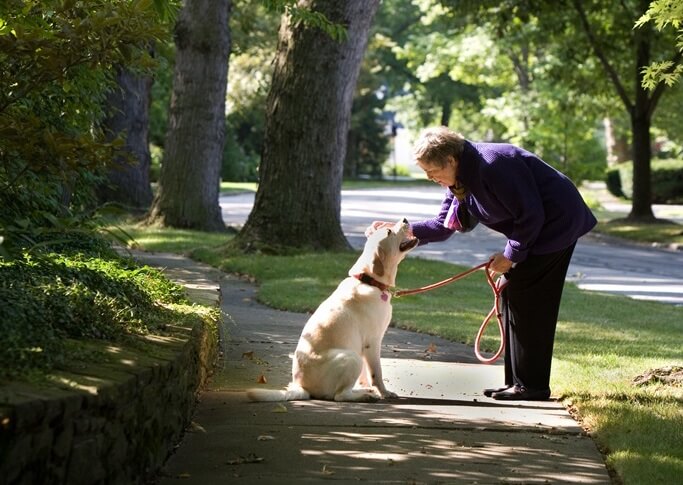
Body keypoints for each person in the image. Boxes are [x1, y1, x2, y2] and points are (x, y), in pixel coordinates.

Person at [367, 126, 597, 401]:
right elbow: (443, 226)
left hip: (557, 224)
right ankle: (519, 383)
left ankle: (532, 386)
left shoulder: (493, 164)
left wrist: (511, 255)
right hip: (536, 227)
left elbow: (531, 215)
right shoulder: (459, 180)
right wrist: (400, 231)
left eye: (432, 171)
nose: (430, 178)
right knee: (511, 292)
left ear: (450, 160)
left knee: (529, 296)